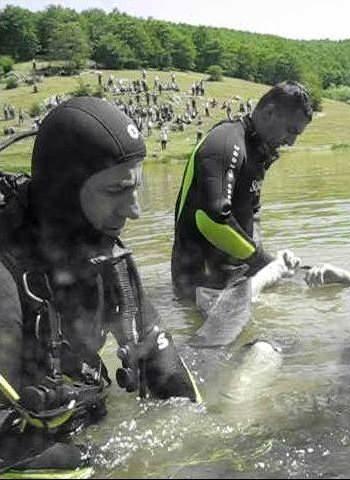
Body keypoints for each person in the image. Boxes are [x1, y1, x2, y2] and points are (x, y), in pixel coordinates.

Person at [0, 97, 200, 475]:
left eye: (135, 188)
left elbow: (169, 377)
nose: (135, 210)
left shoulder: (108, 257)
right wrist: (107, 465)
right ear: (64, 193)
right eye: (115, 191)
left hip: (81, 422)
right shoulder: (6, 280)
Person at [171, 81, 313, 300]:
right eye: (291, 130)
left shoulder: (258, 152)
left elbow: (253, 212)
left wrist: (269, 264)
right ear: (270, 112)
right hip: (200, 284)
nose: (292, 142)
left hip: (237, 275)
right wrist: (264, 262)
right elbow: (213, 219)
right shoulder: (225, 142)